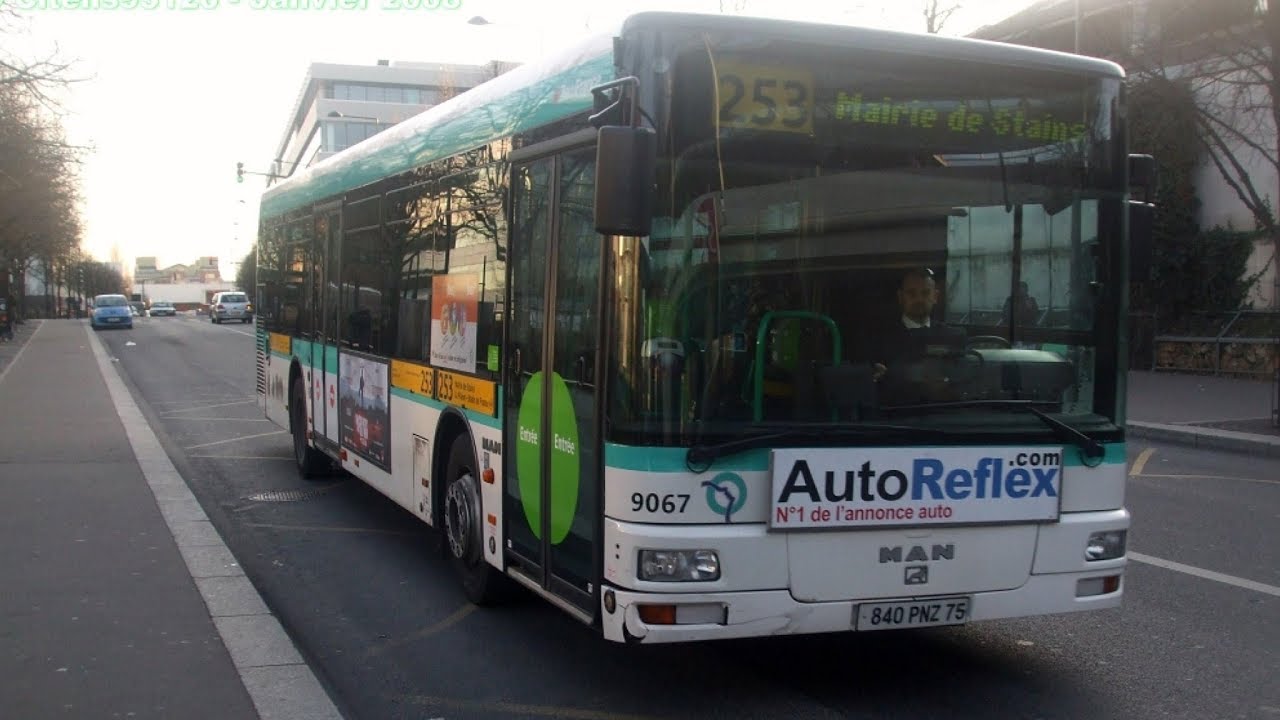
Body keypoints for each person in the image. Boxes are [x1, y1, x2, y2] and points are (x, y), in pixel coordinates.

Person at [871, 267, 966, 392]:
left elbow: (963, 382)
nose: (919, 299)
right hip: (898, 409)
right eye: (911, 293)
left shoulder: (954, 337)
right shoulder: (879, 340)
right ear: (900, 297)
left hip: (943, 408)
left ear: (935, 296)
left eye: (925, 293)